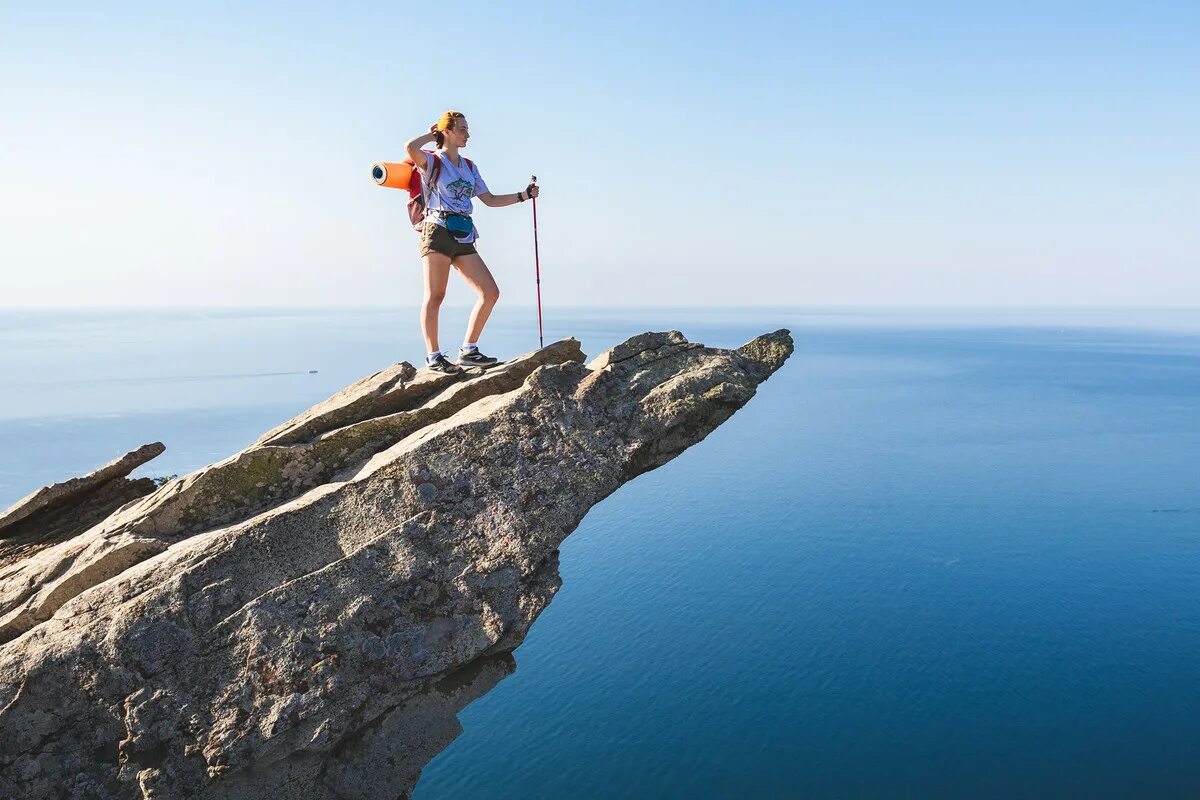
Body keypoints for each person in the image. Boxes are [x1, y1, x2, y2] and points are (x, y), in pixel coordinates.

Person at [404, 110, 539, 374]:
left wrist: (524, 195)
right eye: (462, 129)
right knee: (436, 295)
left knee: (490, 292)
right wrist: (431, 136)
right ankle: (433, 357)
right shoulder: (432, 162)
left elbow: (489, 200)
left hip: (464, 232)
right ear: (448, 132)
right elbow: (410, 148)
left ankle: (468, 351)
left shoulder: (469, 167)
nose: (468, 134)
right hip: (437, 229)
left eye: (467, 129)